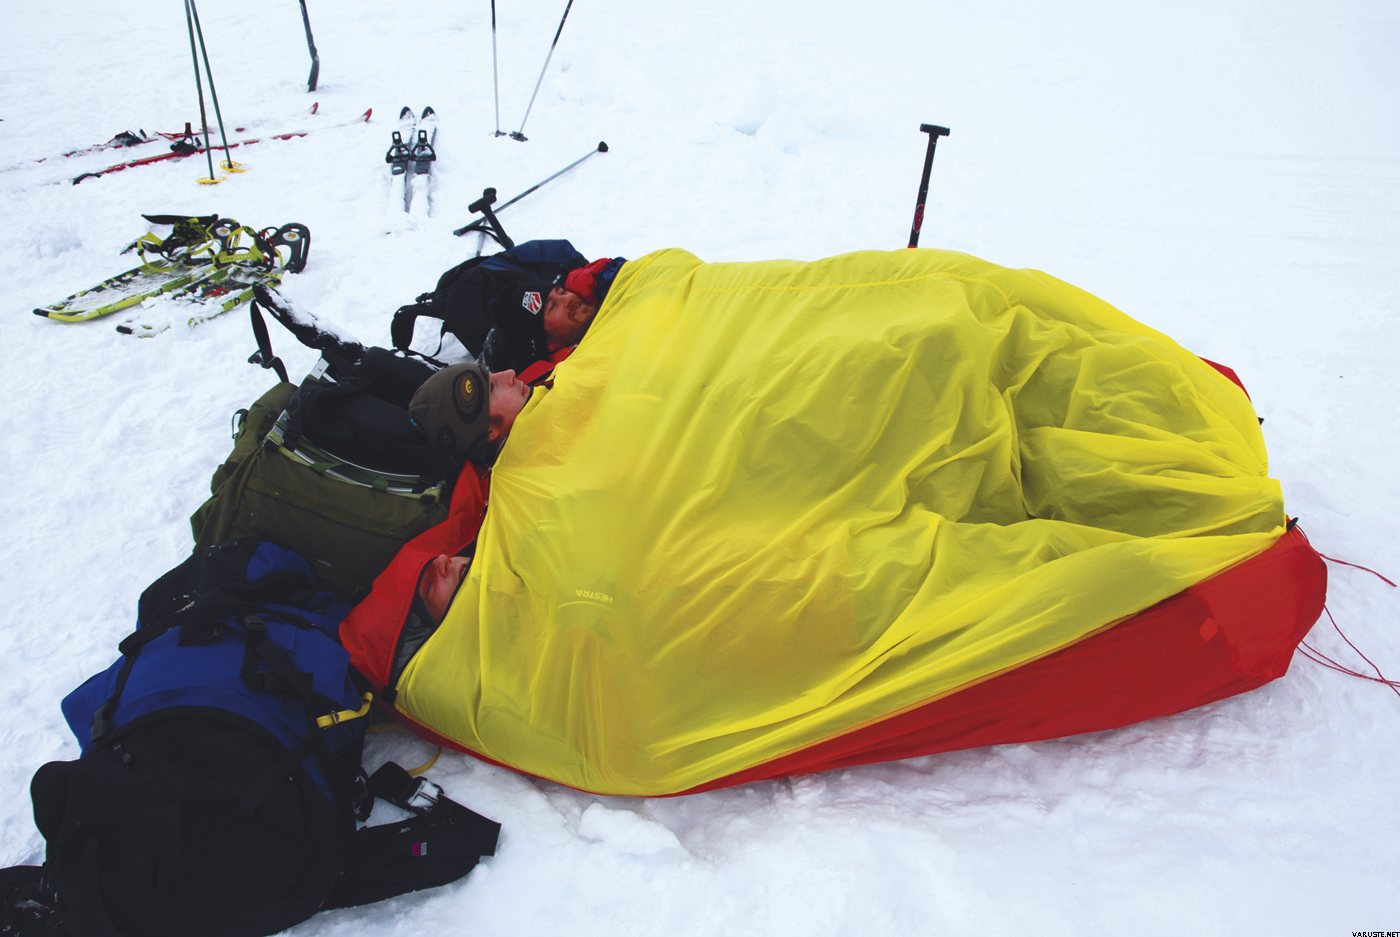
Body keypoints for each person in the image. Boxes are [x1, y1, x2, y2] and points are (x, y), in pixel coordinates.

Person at [440, 255, 625, 372]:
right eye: (552, 307)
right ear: (550, 344)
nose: (568, 300)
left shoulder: (612, 289)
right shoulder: (574, 374)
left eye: (561, 292)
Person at [408, 360, 536, 467]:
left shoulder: (538, 379)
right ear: (488, 432)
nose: (510, 373)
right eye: (491, 388)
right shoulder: (534, 482)